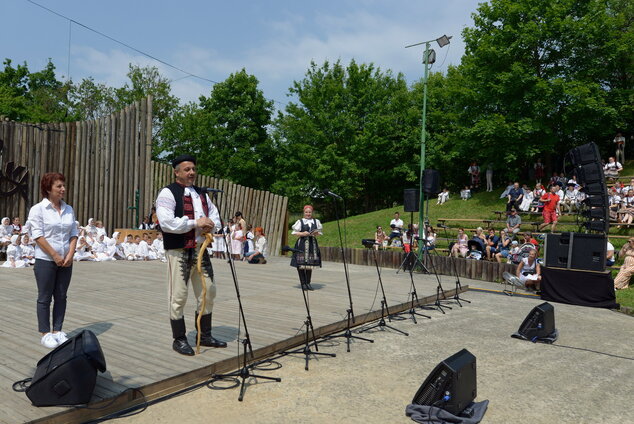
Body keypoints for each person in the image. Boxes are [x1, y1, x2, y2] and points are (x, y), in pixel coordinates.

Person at [155, 154, 226, 356]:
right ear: (176, 172)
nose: (192, 172)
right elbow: (166, 223)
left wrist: (209, 223)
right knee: (178, 296)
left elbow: (215, 217)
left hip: (200, 249)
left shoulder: (202, 194)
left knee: (208, 291)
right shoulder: (167, 193)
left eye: (193, 169)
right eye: (187, 169)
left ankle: (204, 335)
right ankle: (179, 339)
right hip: (178, 250)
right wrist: (196, 223)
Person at [27, 172, 78, 349]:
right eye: (59, 186)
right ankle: (45, 333)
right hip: (45, 260)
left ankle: (58, 331)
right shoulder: (38, 209)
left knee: (62, 296)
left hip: (66, 261)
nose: (63, 189)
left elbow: (73, 233)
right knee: (44, 297)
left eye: (63, 185)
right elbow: (37, 235)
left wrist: (70, 254)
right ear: (48, 189)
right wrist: (55, 255)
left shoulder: (68, 209)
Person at [290, 204, 322, 291]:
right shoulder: (300, 221)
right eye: (306, 212)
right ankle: (303, 283)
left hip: (312, 244)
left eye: (310, 212)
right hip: (302, 244)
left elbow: (319, 233)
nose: (308, 214)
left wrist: (315, 233)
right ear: (304, 213)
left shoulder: (316, 221)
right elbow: (294, 233)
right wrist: (303, 233)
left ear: (312, 212)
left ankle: (308, 283)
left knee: (309, 265)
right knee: (301, 265)